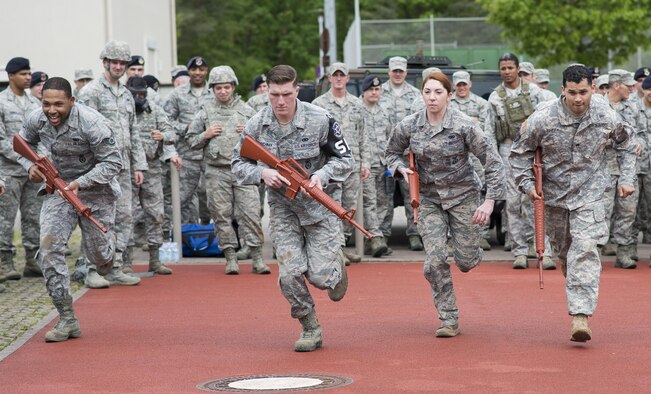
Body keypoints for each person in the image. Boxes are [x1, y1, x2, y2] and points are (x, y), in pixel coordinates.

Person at [232, 64, 354, 352]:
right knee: (289, 274)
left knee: (320, 278)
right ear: (267, 93)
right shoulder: (256, 124)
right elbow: (237, 164)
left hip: (320, 210)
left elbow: (346, 160)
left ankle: (335, 265)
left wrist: (320, 176)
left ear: (297, 90)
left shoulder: (320, 119)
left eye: (286, 94)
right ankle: (310, 327)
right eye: (274, 95)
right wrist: (261, 174)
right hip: (283, 209)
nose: (281, 101)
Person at [510, 65, 636, 342]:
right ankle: (578, 289)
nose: (578, 99)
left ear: (592, 88)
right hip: (554, 197)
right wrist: (528, 186)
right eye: (572, 93)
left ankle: (580, 315)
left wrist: (626, 178)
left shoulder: (605, 114)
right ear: (562, 90)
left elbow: (627, 144)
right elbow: (519, 154)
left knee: (586, 248)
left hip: (592, 193)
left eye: (583, 92)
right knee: (566, 255)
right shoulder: (542, 119)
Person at [386, 72, 505, 337]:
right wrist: (399, 169)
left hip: (463, 196)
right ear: (422, 94)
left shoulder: (465, 125)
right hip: (429, 199)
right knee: (435, 260)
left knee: (465, 261)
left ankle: (470, 251)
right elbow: (391, 152)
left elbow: (493, 162)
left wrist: (488, 202)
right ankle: (448, 318)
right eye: (427, 92)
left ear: (449, 95)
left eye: (438, 92)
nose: (432, 97)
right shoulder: (410, 125)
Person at [17, 77, 122, 342]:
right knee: (49, 248)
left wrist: (79, 183)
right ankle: (66, 318)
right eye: (46, 104)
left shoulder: (93, 123)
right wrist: (30, 167)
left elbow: (113, 163)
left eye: (59, 105)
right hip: (57, 190)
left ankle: (108, 250)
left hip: (95, 191)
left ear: (72, 102)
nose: (52, 110)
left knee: (100, 260)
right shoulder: (36, 119)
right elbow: (21, 145)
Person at [186, 65, 269, 275]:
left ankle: (257, 257)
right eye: (218, 88)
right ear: (212, 89)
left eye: (227, 87)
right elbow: (190, 141)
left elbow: (265, 141)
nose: (223, 91)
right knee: (221, 215)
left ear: (233, 87)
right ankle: (230, 257)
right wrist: (205, 134)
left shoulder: (247, 110)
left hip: (243, 169)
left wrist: (249, 134)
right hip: (216, 171)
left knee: (250, 213)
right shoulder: (205, 112)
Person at [77, 40, 146, 288]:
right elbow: (81, 132)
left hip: (124, 166)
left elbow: (133, 131)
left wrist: (139, 165)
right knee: (97, 217)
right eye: (114, 62)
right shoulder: (90, 92)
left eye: (122, 63)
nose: (118, 66)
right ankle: (91, 268)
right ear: (105, 62)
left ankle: (115, 266)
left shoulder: (126, 94)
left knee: (124, 216)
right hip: (99, 168)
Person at [485, 53, 555, 269]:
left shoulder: (536, 93)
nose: (507, 71)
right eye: (503, 68)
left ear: (518, 69)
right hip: (508, 150)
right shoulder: (495, 97)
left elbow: (553, 111)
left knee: (537, 200)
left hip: (535, 152)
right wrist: (493, 160)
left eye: (510, 67)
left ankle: (544, 250)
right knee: (513, 202)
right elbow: (488, 131)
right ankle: (520, 252)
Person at [312, 62, 387, 261]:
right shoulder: (319, 105)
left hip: (352, 165)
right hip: (329, 166)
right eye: (335, 75)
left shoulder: (357, 104)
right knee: (331, 206)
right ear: (329, 78)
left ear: (347, 79)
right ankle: (334, 249)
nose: (338, 79)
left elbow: (364, 136)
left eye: (342, 75)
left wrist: (365, 163)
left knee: (348, 207)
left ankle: (342, 245)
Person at [125, 76, 179, 275]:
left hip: (152, 168)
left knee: (156, 213)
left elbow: (172, 133)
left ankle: (155, 259)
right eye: (134, 94)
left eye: (142, 94)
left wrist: (163, 136)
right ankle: (125, 261)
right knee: (126, 215)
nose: (138, 98)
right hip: (128, 170)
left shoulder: (155, 110)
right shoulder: (123, 112)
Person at [0, 56, 43, 280]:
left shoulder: (34, 104)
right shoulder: (1, 102)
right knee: (5, 218)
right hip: (9, 171)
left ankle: (32, 260)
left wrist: (38, 160)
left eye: (29, 73)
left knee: (33, 216)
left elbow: (41, 136)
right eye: (23, 74)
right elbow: (1, 141)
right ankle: (5, 263)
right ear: (10, 76)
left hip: (33, 172)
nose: (28, 77)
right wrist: (25, 160)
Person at [379, 56, 423, 251]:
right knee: (384, 197)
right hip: (384, 154)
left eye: (401, 71)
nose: (397, 74)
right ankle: (382, 236)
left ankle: (414, 234)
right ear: (388, 72)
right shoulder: (378, 92)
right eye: (394, 71)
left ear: (406, 72)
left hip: (408, 155)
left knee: (410, 196)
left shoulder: (415, 95)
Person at [163, 56, 213, 227]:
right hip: (187, 154)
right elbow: (166, 121)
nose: (197, 73)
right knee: (182, 198)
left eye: (201, 69)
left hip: (211, 154)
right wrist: (187, 127)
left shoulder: (215, 93)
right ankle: (182, 234)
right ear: (189, 71)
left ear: (206, 71)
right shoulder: (177, 94)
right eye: (194, 69)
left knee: (211, 196)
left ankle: (208, 231)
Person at [601, 69, 642, 267]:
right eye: (629, 85)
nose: (633, 89)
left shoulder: (633, 105)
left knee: (628, 210)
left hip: (627, 166)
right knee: (602, 210)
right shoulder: (598, 105)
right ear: (616, 85)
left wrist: (639, 141)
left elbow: (641, 130)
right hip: (604, 166)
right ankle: (596, 251)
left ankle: (623, 252)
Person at [448, 70, 493, 251]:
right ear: (453, 86)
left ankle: (481, 234)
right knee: (454, 195)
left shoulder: (481, 104)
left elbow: (488, 132)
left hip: (476, 157)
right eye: (458, 85)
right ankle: (453, 236)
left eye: (464, 84)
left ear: (470, 84)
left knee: (480, 193)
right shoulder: (448, 105)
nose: (461, 88)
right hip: (454, 158)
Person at [360, 74, 394, 256]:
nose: (374, 93)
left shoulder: (385, 110)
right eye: (371, 90)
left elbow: (391, 138)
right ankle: (374, 238)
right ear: (364, 92)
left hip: (382, 164)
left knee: (384, 203)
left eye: (377, 89)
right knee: (369, 202)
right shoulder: (357, 109)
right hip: (365, 165)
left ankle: (371, 238)